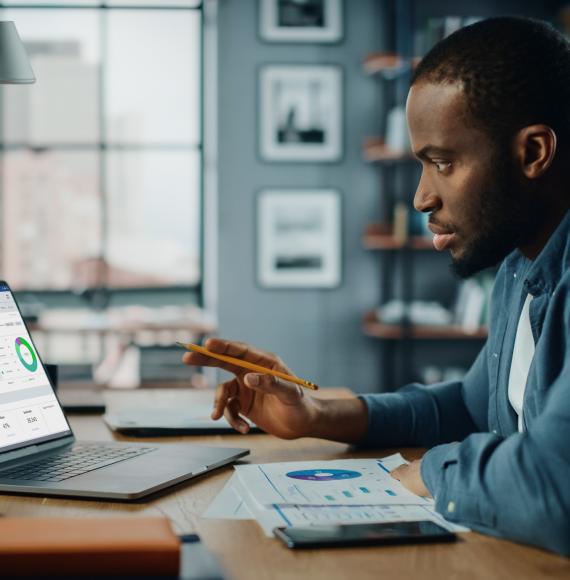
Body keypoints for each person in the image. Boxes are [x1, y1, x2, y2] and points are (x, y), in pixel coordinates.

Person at [183, 17, 570, 556]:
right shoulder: (518, 266)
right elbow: (469, 406)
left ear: (533, 153)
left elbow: (556, 484)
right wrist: (316, 415)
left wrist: (428, 473)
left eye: (442, 163)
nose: (421, 198)